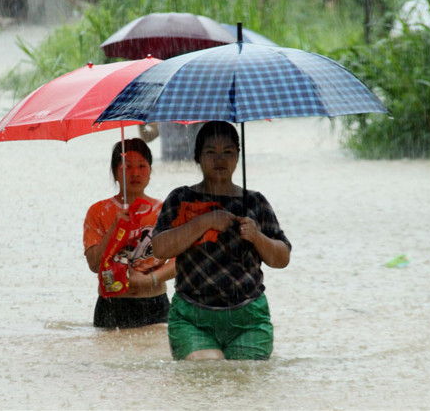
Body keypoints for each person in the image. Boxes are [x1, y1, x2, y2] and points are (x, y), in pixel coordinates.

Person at [151, 121, 291, 360]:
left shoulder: (255, 202)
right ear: (197, 157)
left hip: (249, 318)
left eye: (228, 152)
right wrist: (205, 221)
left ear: (238, 157)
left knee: (243, 378)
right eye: (211, 152)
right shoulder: (180, 197)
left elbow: (282, 258)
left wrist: (257, 237)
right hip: (192, 317)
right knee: (208, 368)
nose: (220, 159)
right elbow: (160, 248)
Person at [83, 138, 175, 329]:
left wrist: (150, 280)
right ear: (115, 173)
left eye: (142, 166)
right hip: (111, 306)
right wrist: (115, 229)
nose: (135, 173)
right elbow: (93, 264)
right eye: (127, 166)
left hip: (155, 303)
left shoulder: (163, 211)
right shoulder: (98, 211)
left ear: (150, 171)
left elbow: (180, 261)